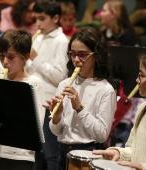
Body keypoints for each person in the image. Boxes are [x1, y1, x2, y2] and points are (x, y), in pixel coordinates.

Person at [43, 26, 117, 170]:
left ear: (96, 56)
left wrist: (79, 107)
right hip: (63, 151)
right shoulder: (64, 84)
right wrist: (57, 117)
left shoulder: (105, 90)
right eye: (72, 54)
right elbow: (56, 131)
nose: (76, 60)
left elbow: (102, 135)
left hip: (90, 154)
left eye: (82, 55)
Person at [93, 52, 146, 170]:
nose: (137, 80)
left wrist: (144, 168)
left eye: (141, 75)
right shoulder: (143, 107)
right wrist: (119, 152)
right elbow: (133, 149)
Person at [25, 1, 69, 170]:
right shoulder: (39, 37)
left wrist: (35, 58)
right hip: (33, 99)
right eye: (36, 19)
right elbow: (32, 70)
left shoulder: (61, 41)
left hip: (48, 102)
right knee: (34, 152)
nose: (38, 23)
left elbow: (60, 76)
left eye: (42, 19)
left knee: (50, 153)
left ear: (56, 18)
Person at [0, 28, 45, 170]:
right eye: (1, 56)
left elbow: (36, 126)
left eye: (11, 57)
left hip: (20, 156)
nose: (5, 62)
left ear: (26, 57)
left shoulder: (34, 83)